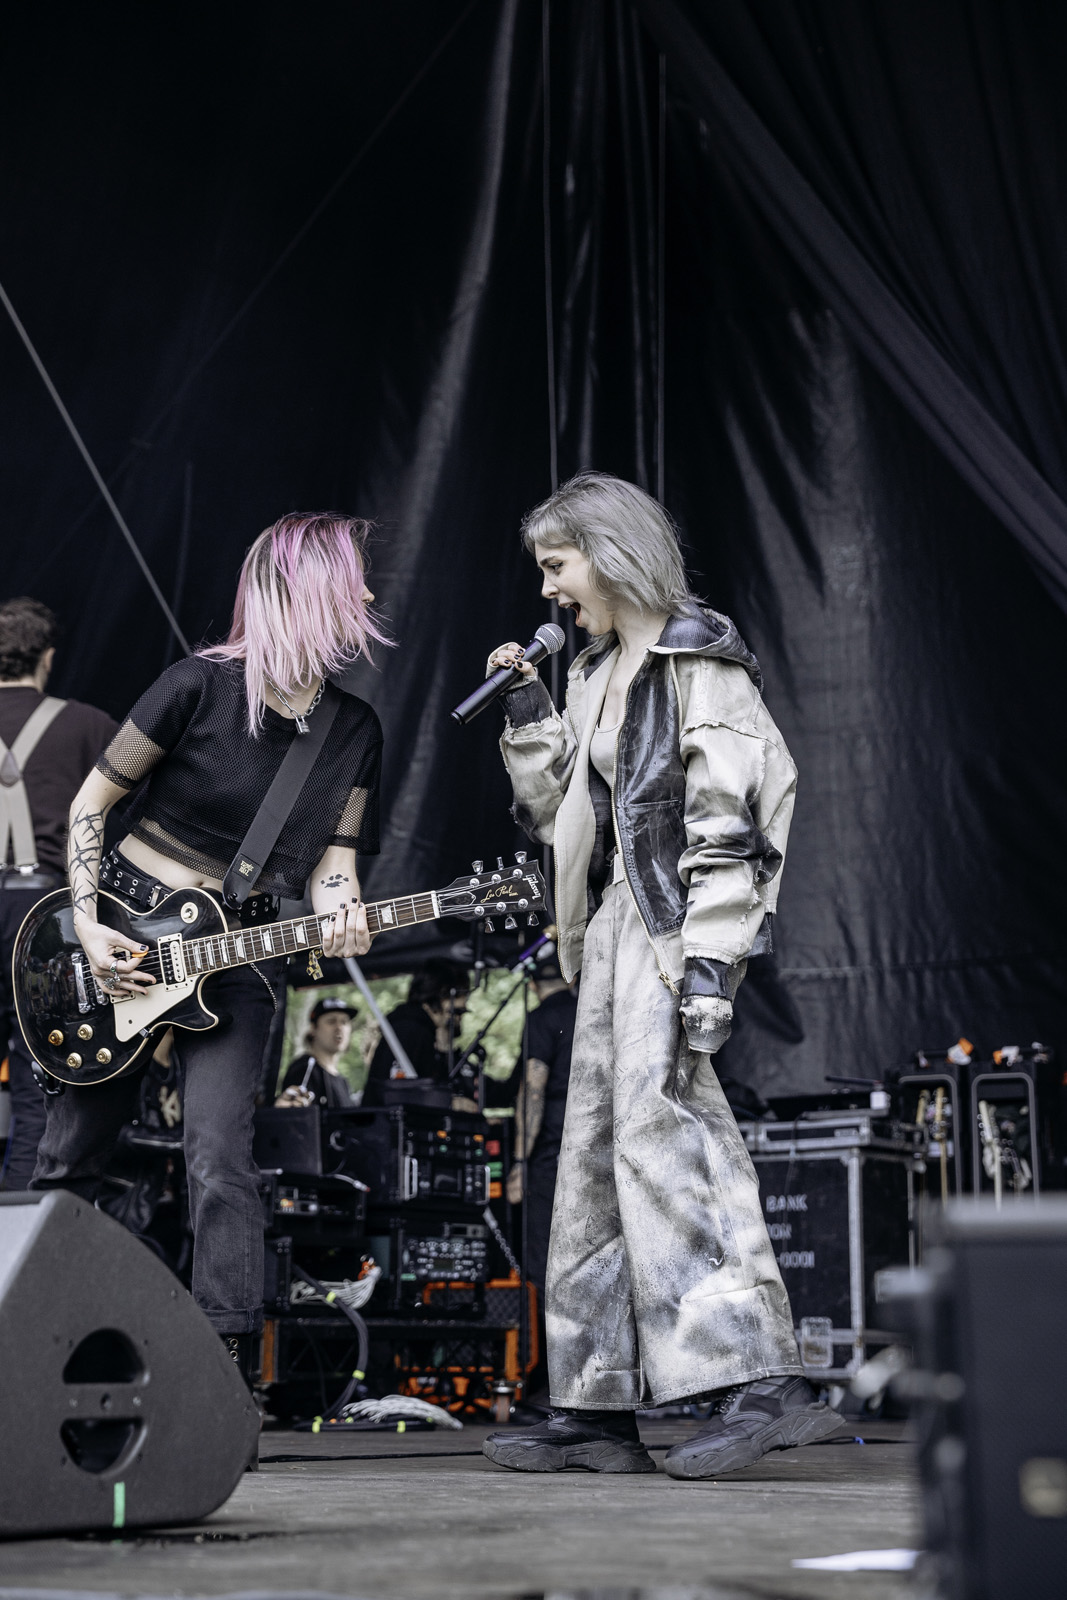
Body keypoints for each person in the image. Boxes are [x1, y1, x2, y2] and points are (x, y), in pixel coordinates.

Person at [482, 472, 839, 1479]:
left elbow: (733, 823)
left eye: (557, 565)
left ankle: (761, 1378)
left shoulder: (700, 663)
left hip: (671, 929)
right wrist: (527, 708)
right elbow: (558, 813)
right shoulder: (595, 672)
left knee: (668, 1136)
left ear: (610, 554)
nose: (548, 590)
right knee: (591, 1162)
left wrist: (709, 963)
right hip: (609, 929)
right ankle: (594, 1403)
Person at [31, 512, 386, 1382]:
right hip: (124, 931)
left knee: (222, 1158)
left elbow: (334, 867)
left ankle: (222, 1369)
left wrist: (345, 913)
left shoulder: (354, 730)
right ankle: (33, 1338)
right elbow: (90, 804)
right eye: (353, 581)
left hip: (243, 951)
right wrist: (88, 922)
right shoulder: (196, 685)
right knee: (73, 1154)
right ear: (304, 592)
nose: (369, 595)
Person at [0, 598, 117, 1189]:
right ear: (46, 658)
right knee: (35, 1087)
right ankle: (18, 1236)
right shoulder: (88, 725)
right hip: (41, 918)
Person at [363, 958, 471, 1103]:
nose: (465, 1004)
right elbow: (395, 1092)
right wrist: (449, 1103)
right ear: (442, 993)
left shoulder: (423, 1031)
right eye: (462, 993)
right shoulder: (409, 1030)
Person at [278, 996, 358, 1108]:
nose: (339, 1027)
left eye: (344, 1022)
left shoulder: (342, 1081)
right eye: (331, 1021)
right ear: (313, 1028)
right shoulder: (305, 1069)